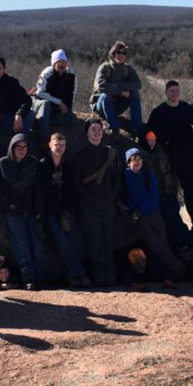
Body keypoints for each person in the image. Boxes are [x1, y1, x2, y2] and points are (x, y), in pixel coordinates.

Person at [146, 80, 193, 230]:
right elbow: (150, 131)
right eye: (172, 91)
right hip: (178, 154)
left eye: (177, 91)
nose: (175, 94)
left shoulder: (186, 108)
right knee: (189, 189)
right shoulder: (159, 112)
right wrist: (154, 144)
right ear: (166, 93)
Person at [119, 148, 187, 288]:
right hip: (139, 218)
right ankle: (177, 268)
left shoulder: (148, 174)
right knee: (155, 244)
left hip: (153, 213)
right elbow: (127, 196)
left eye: (138, 159)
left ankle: (172, 272)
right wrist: (133, 211)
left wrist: (142, 209)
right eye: (133, 160)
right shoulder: (125, 176)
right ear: (128, 163)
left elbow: (154, 194)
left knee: (163, 241)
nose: (136, 162)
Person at [0, 134, 46, 290]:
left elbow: (39, 188)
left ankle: (41, 278)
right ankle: (28, 278)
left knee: (37, 244)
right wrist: (9, 206)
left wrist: (39, 210)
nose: (22, 150)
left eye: (25, 147)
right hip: (14, 212)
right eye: (18, 147)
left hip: (32, 210)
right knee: (21, 246)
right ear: (12, 147)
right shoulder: (1, 165)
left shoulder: (34, 163)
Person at [38, 133, 91, 288]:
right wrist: (58, 211)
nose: (59, 148)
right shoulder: (43, 164)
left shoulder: (67, 163)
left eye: (62, 145)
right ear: (50, 145)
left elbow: (71, 188)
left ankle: (71, 276)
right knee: (62, 240)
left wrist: (67, 210)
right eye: (56, 145)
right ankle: (80, 273)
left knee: (69, 241)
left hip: (67, 209)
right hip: (51, 210)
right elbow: (46, 190)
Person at [74, 119, 121, 286]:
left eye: (99, 129)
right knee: (95, 240)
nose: (96, 132)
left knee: (108, 238)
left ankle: (111, 274)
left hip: (108, 203)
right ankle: (98, 275)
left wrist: (111, 197)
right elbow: (76, 182)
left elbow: (117, 178)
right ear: (87, 133)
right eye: (93, 129)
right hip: (88, 205)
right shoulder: (80, 154)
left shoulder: (110, 153)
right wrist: (90, 199)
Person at [138, 129, 192, 249]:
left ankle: (186, 240)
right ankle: (175, 244)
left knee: (175, 215)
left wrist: (173, 187)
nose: (151, 143)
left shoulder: (161, 150)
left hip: (168, 190)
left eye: (153, 140)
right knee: (166, 220)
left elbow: (169, 170)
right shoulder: (141, 155)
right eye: (149, 140)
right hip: (155, 194)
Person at [89, 40, 142, 138]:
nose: (121, 55)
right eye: (118, 52)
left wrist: (119, 85)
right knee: (105, 96)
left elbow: (138, 84)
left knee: (134, 93)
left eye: (123, 53)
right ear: (112, 53)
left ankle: (137, 127)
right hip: (102, 106)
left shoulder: (128, 69)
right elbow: (101, 86)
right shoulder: (104, 68)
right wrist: (121, 92)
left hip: (117, 106)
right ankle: (114, 128)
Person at [32, 49, 78, 141]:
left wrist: (68, 108)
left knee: (71, 119)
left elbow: (73, 93)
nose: (62, 64)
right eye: (59, 62)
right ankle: (43, 138)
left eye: (64, 62)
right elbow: (40, 93)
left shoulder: (71, 75)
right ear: (54, 63)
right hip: (41, 103)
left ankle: (41, 121)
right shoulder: (47, 73)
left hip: (56, 107)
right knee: (45, 104)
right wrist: (59, 103)